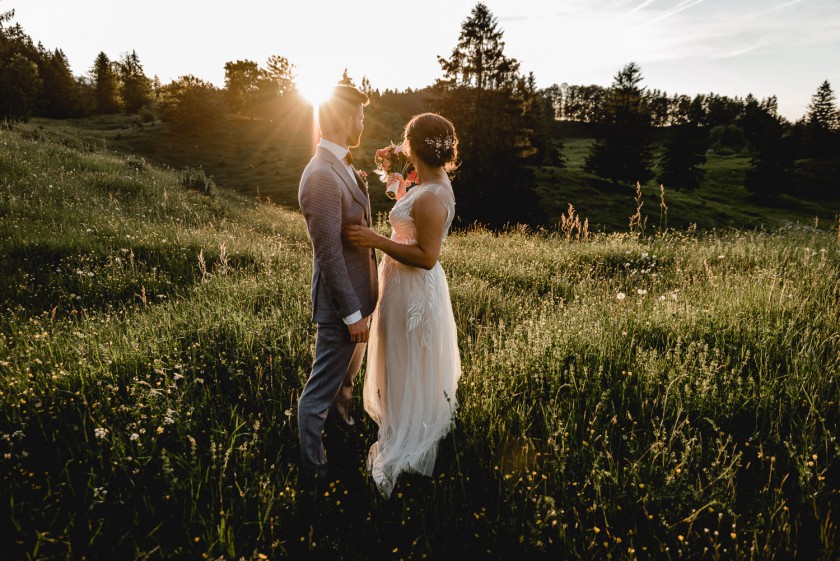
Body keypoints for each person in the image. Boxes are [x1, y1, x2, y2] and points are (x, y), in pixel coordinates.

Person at [345, 112, 462, 498]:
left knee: (406, 360)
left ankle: (406, 437)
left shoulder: (431, 196)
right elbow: (412, 229)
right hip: (402, 285)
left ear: (412, 146)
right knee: (403, 360)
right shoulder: (427, 185)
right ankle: (403, 421)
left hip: (413, 290)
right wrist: (400, 195)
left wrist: (376, 239)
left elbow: (427, 255)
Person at [297, 85, 378, 481]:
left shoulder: (344, 166)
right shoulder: (321, 175)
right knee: (318, 395)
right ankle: (315, 471)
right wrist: (350, 314)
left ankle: (342, 438)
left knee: (344, 384)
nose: (363, 123)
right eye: (360, 117)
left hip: (360, 305)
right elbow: (328, 253)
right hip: (341, 310)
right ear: (346, 119)